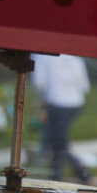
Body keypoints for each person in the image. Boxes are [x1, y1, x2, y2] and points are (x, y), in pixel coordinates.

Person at [31, 52, 91, 184]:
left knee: (59, 144)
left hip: (56, 104)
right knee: (57, 143)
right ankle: (56, 178)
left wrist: (39, 105)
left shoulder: (41, 55)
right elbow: (84, 85)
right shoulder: (74, 56)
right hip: (75, 103)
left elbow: (40, 83)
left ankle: (82, 174)